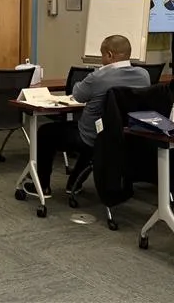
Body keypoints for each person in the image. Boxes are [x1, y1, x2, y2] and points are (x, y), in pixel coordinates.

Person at [24, 35, 150, 197]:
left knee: (46, 132)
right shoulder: (143, 75)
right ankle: (74, 183)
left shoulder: (99, 77)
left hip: (91, 135)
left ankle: (42, 186)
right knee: (94, 139)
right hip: (122, 135)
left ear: (109, 55)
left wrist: (96, 74)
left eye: (102, 55)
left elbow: (77, 94)